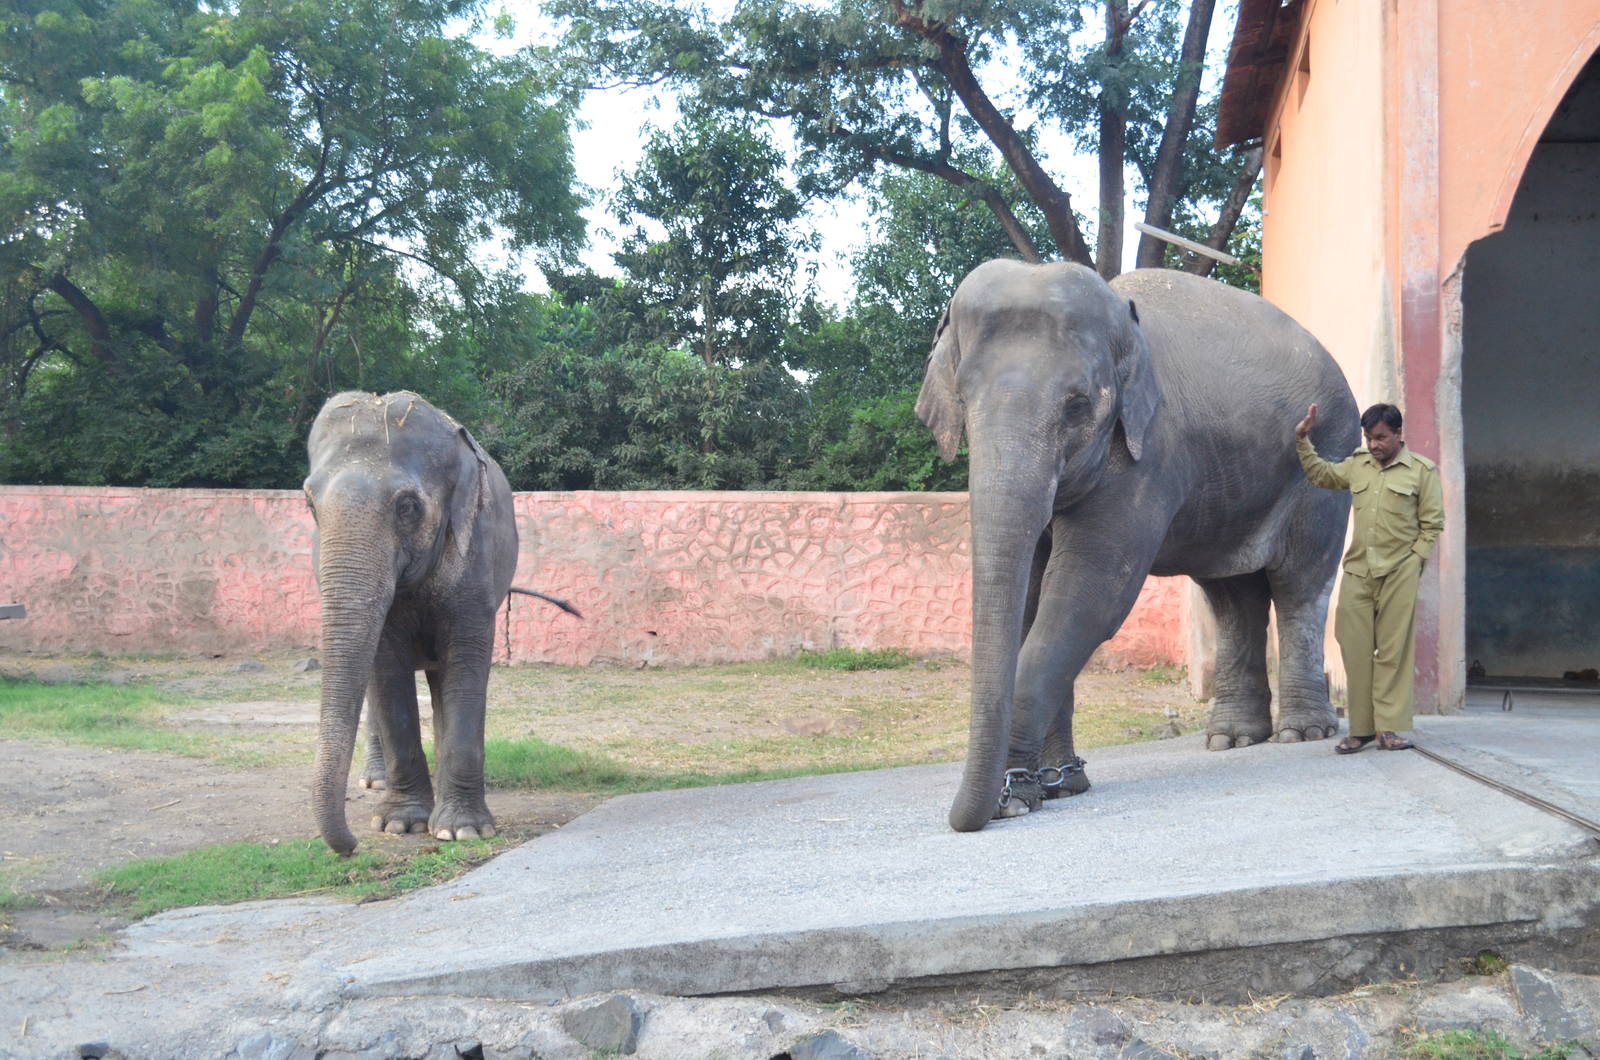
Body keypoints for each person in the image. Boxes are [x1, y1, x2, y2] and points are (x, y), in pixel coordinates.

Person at [1294, 402, 1444, 752]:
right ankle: (1360, 729)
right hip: (1359, 571)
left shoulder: (1422, 471)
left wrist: (1414, 561)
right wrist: (1303, 440)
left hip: (1399, 572)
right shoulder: (1358, 466)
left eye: (1380, 438)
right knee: (1355, 647)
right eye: (1368, 438)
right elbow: (1321, 474)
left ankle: (1388, 729)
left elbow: (1433, 522)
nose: (1373, 444)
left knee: (1393, 652)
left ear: (1398, 435)